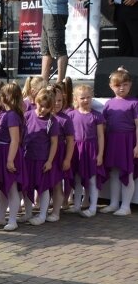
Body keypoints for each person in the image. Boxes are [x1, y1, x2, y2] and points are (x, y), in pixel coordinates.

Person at [101, 68, 138, 216]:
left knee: (127, 172)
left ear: (130, 85)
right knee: (115, 173)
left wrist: (137, 145)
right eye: (118, 85)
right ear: (111, 86)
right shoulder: (109, 103)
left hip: (127, 140)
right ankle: (114, 203)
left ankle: (126, 206)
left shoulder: (134, 103)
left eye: (125, 84)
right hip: (113, 140)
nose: (122, 88)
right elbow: (103, 126)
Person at [0, 83, 26, 231]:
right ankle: (0, 217)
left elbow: (15, 140)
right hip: (0, 150)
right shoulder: (6, 113)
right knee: (1, 187)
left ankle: (12, 220)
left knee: (11, 188)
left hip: (8, 152)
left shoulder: (11, 115)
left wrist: (10, 159)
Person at [23, 89, 60, 225]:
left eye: (47, 107)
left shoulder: (52, 121)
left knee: (43, 187)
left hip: (42, 159)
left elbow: (54, 142)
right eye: (40, 105)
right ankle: (27, 213)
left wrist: (50, 161)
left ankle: (42, 214)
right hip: (27, 158)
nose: (42, 109)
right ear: (36, 102)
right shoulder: (27, 116)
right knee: (26, 186)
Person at [69, 84, 106, 217]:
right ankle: (77, 206)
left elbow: (101, 136)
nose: (85, 100)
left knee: (92, 179)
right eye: (82, 98)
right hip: (76, 150)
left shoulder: (96, 116)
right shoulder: (71, 115)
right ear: (76, 99)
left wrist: (100, 154)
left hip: (91, 150)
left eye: (88, 97)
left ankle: (93, 207)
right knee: (78, 178)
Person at [49, 84, 75, 222]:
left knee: (57, 183)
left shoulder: (65, 119)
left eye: (60, 100)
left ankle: (56, 212)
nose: (57, 103)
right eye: (54, 100)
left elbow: (71, 141)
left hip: (59, 154)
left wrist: (67, 159)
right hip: (44, 153)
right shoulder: (42, 116)